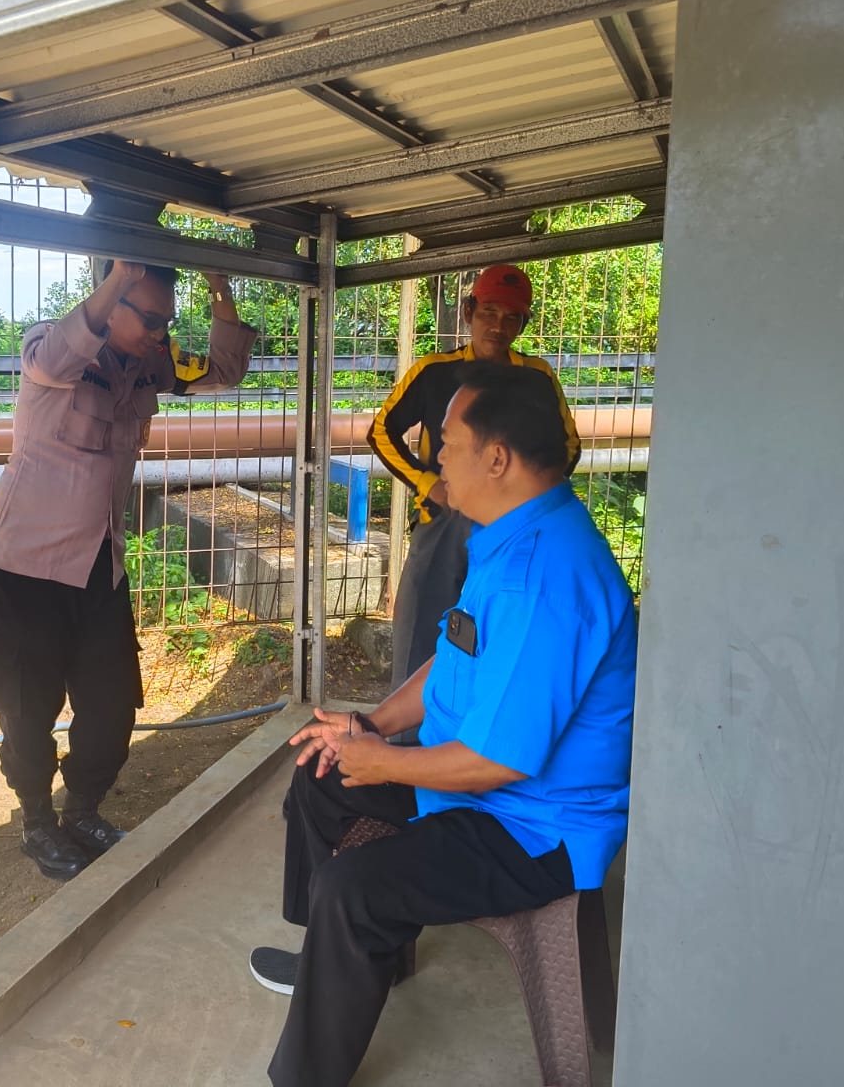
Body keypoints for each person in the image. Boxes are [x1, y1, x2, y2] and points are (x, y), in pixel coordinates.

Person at [252, 362, 637, 1087]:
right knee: (321, 773)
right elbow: (451, 656)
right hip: (475, 789)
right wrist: (368, 726)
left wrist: (384, 761)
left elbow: (499, 762)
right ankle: (334, 964)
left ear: (497, 458)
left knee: (355, 887)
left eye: (449, 444)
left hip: (531, 829)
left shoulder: (544, 576)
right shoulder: (510, 534)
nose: (436, 461)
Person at [0, 259, 257, 879]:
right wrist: (117, 277)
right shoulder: (53, 345)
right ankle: (37, 822)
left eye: (166, 321)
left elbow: (225, 371)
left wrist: (219, 288)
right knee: (27, 705)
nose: (160, 333)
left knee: (111, 701)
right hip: (25, 566)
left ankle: (83, 811)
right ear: (114, 297)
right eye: (149, 318)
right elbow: (51, 362)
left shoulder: (151, 361)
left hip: (98, 564)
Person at [368, 264, 580, 691]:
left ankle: (478, 720)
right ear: (469, 312)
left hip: (513, 529)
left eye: (512, 318)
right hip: (443, 520)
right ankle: (407, 726)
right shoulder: (434, 372)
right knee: (420, 634)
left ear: (523, 324)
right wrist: (428, 484)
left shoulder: (536, 377)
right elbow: (380, 432)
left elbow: (568, 447)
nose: (498, 326)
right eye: (489, 313)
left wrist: (525, 502)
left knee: (501, 631)